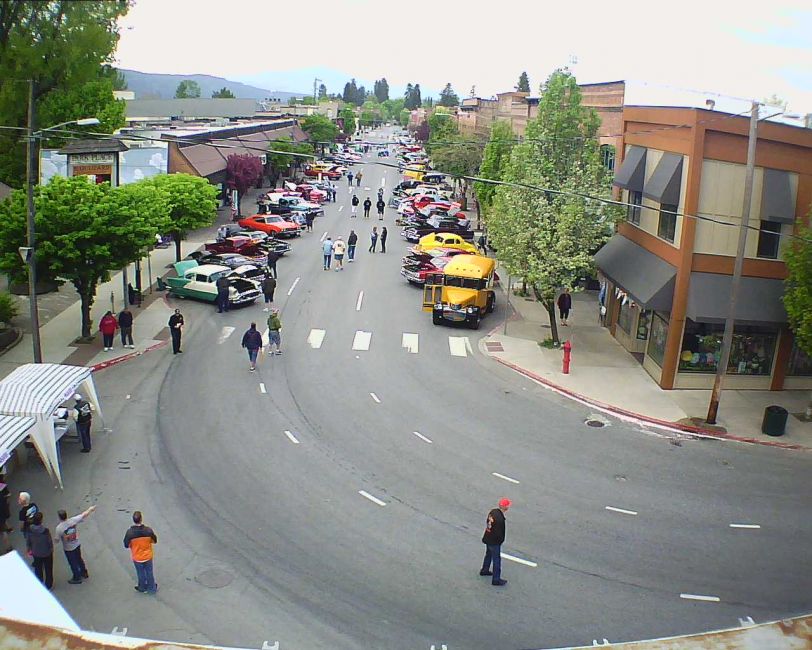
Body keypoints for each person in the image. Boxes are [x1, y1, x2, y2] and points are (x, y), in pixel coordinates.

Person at [55, 505, 96, 584]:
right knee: (79, 559)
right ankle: (84, 572)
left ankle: (77, 577)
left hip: (68, 548)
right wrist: (90, 509)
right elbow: (84, 515)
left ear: (59, 517)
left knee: (72, 563)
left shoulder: (59, 528)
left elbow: (57, 539)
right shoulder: (73, 521)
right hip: (76, 544)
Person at [124, 511, 158, 594]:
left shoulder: (129, 533)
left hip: (137, 557)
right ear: (141, 519)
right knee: (149, 572)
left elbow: (126, 545)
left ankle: (142, 587)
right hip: (147, 556)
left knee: (140, 573)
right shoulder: (148, 531)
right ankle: (152, 588)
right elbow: (154, 541)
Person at [480, 498, 510, 586]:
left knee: (488, 554)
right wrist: (500, 541)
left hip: (488, 537)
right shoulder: (500, 519)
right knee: (497, 560)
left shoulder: (493, 512)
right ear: (505, 507)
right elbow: (499, 533)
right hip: (494, 542)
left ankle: (484, 570)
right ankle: (496, 579)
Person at [28, 511, 53, 589]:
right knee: (48, 569)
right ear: (41, 520)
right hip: (46, 553)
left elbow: (28, 540)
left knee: (38, 569)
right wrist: (51, 549)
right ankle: (48, 585)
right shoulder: (45, 531)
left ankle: (39, 582)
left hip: (36, 552)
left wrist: (29, 549)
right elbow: (49, 541)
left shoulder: (30, 529)